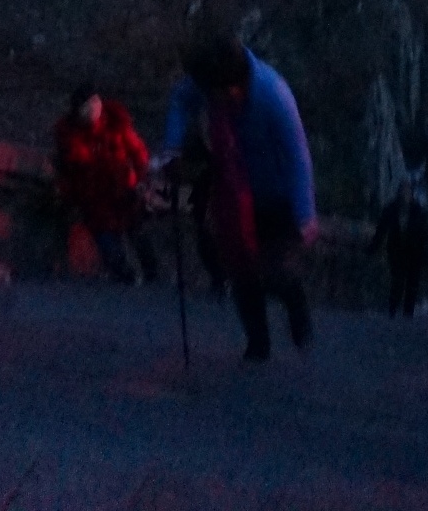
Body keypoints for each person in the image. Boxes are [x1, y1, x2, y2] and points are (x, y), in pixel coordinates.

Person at [163, 34, 317, 362]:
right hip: (233, 187)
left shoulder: (273, 95)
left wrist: (304, 213)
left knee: (278, 269)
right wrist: (172, 148)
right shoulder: (210, 80)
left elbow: (298, 155)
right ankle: (257, 341)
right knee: (240, 267)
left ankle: (295, 301)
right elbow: (180, 99)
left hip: (275, 192)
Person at [54, 84, 159, 284]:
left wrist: (142, 179)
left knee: (138, 231)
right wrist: (67, 193)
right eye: (86, 107)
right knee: (107, 241)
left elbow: (138, 152)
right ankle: (125, 277)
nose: (91, 110)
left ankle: (152, 275)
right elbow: (65, 168)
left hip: (125, 190)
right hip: (93, 197)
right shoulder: (68, 134)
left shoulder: (117, 124)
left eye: (94, 105)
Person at [368, 180, 428, 317]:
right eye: (402, 192)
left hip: (415, 252)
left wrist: (425, 254)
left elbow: (425, 235)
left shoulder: (419, 212)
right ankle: (393, 310)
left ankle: (408, 312)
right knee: (397, 281)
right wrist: (373, 248)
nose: (405, 195)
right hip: (397, 250)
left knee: (412, 284)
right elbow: (381, 230)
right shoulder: (391, 209)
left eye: (407, 192)